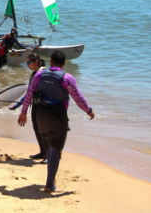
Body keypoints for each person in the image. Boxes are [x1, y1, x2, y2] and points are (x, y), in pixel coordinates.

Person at [17, 51, 94, 193]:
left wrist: (23, 112)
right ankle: (49, 185)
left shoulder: (39, 75)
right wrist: (89, 111)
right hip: (57, 117)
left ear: (51, 61)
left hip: (40, 115)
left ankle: (51, 180)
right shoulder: (67, 78)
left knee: (49, 144)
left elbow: (29, 93)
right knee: (55, 150)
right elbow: (78, 98)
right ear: (64, 63)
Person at [24, 53, 48, 161]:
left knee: (44, 130)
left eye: (29, 62)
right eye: (27, 62)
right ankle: (43, 152)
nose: (27, 64)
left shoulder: (43, 73)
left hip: (43, 106)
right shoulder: (33, 74)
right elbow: (29, 91)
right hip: (35, 105)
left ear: (36, 62)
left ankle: (48, 155)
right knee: (36, 128)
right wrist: (20, 105)